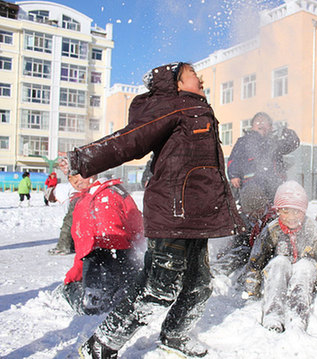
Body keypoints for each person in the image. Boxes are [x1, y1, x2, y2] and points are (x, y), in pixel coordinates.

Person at [59, 62, 243, 358]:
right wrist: (82, 159)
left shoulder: (196, 108)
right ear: (176, 83)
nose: (201, 78)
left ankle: (175, 335)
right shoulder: (174, 107)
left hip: (197, 217)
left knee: (199, 284)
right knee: (160, 285)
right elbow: (130, 140)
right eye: (193, 74)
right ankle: (103, 343)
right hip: (173, 213)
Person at [243, 181, 317, 333]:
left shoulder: (314, 230)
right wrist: (252, 292)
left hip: (304, 274)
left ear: (304, 210)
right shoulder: (271, 230)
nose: (291, 217)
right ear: (278, 211)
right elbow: (255, 262)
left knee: (305, 266)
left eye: (297, 211)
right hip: (280, 273)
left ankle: (297, 315)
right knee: (279, 262)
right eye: (285, 211)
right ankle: (273, 314)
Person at [216, 112, 299, 274]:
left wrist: (287, 131)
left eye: (266, 123)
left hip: (273, 186)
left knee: (278, 215)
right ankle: (239, 251)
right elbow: (233, 159)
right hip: (251, 184)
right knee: (252, 215)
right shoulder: (244, 141)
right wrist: (233, 175)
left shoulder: (274, 142)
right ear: (252, 126)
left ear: (270, 127)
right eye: (258, 122)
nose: (262, 125)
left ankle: (277, 248)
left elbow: (292, 143)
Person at [57, 175, 144, 315]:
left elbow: (136, 221)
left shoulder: (115, 192)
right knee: (93, 307)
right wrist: (77, 270)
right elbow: (82, 244)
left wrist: (141, 248)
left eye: (78, 176)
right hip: (95, 260)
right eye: (71, 179)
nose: (76, 182)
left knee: (132, 299)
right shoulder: (80, 202)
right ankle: (70, 291)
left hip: (124, 254)